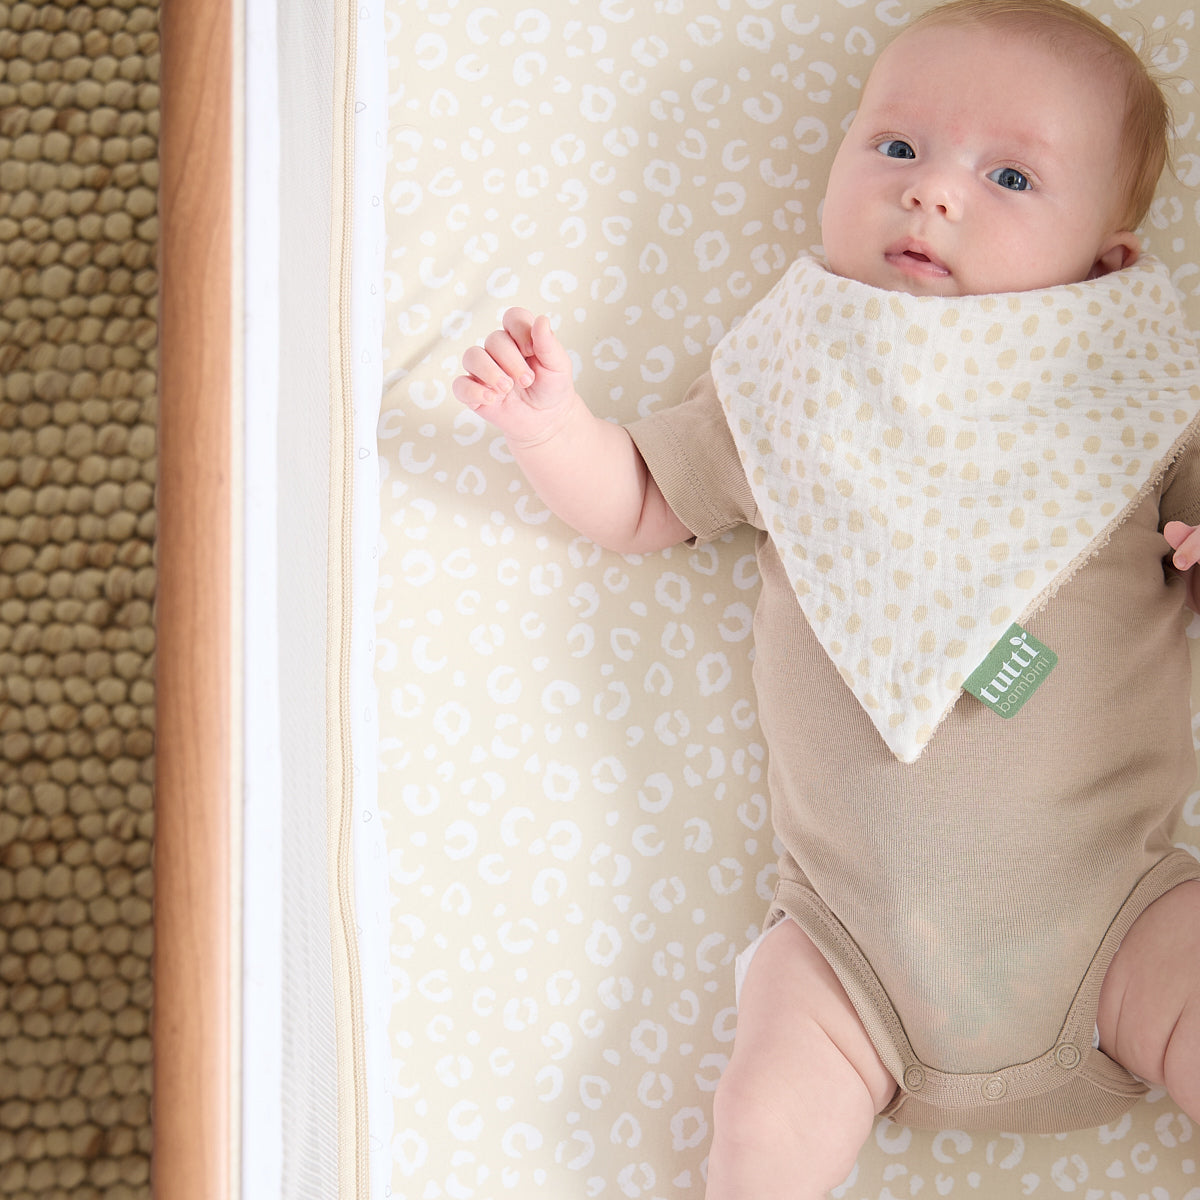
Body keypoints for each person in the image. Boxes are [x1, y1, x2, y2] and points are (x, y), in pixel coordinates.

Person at [453, 1, 1200, 1195]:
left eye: (1009, 175)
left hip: (1123, 923)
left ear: (1106, 262)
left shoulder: (1134, 398)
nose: (934, 193)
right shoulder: (795, 373)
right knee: (763, 1124)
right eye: (897, 148)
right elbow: (645, 499)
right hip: (850, 961)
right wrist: (551, 430)